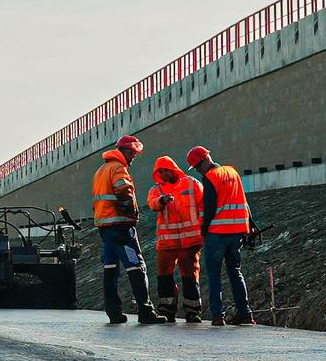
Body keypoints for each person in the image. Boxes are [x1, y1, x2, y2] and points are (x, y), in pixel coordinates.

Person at [91, 136, 157, 324]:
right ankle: (146, 312)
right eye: (132, 153)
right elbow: (123, 191)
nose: (133, 157)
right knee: (137, 267)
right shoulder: (118, 168)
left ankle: (113, 312)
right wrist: (130, 210)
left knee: (110, 269)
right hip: (121, 228)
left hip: (105, 228)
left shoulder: (101, 170)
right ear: (125, 151)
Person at [188, 146, 253, 326]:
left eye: (198, 167)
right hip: (237, 232)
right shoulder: (233, 172)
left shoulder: (210, 178)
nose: (198, 170)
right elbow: (244, 201)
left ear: (205, 161)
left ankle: (218, 315)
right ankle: (245, 313)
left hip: (217, 233)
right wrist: (251, 225)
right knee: (235, 272)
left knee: (214, 275)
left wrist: (203, 229)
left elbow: (209, 208)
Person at [149, 154, 204, 323]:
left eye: (165, 171)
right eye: (160, 172)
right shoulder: (156, 190)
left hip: (190, 241)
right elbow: (152, 203)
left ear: (172, 169)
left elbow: (203, 205)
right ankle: (166, 310)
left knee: (190, 275)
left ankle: (193, 311)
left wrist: (203, 229)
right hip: (167, 242)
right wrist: (162, 201)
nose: (163, 175)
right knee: (164, 275)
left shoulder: (192, 183)